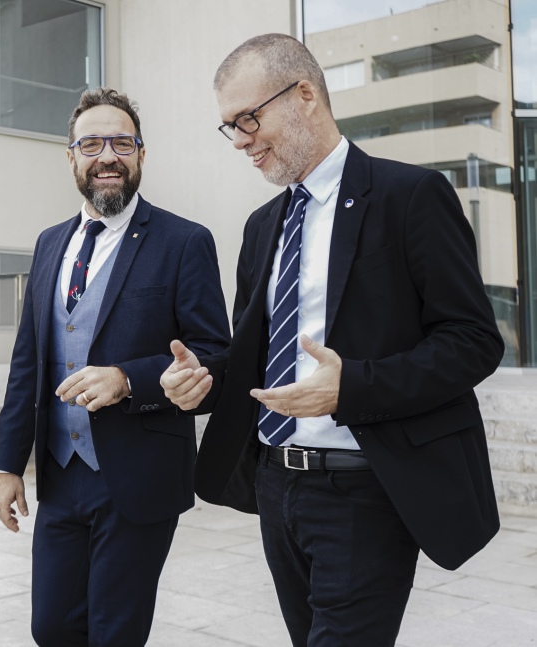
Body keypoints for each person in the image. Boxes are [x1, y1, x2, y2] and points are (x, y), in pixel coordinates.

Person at [161, 33, 504, 646]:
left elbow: (475, 340)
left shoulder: (410, 197)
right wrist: (204, 381)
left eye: (248, 118)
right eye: (229, 127)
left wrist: (353, 388)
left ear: (306, 96)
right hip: (276, 485)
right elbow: (253, 356)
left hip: (365, 490)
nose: (240, 140)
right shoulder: (263, 225)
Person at [0, 87, 231, 646]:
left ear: (141, 155)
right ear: (71, 157)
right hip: (60, 474)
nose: (108, 156)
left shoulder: (184, 241)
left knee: (114, 634)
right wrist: (6, 464)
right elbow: (28, 362)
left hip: (138, 477)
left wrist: (128, 380)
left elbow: (215, 357)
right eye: (92, 143)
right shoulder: (50, 244)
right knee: (51, 628)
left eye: (123, 142)